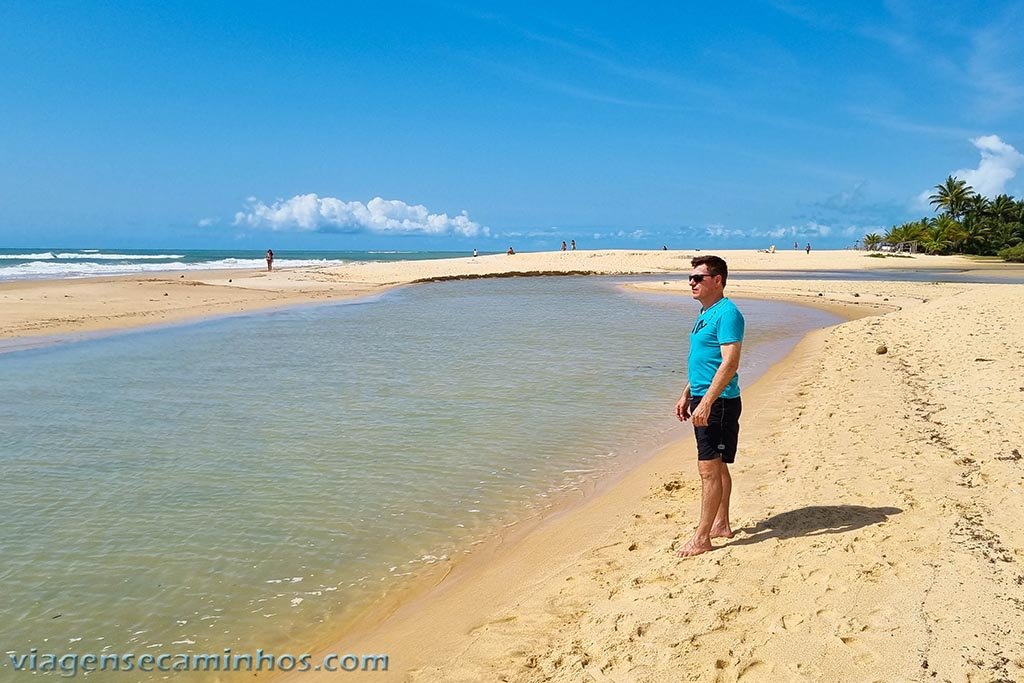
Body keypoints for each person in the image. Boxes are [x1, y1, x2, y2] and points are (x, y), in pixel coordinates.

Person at [674, 255, 744, 557]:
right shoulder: (707, 312)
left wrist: (707, 402)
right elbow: (705, 361)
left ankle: (702, 538)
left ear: (717, 280)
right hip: (706, 398)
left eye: (698, 278)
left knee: (708, 471)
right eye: (690, 278)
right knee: (716, 466)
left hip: (719, 403)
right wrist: (687, 393)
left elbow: (730, 363)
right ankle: (721, 524)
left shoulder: (728, 314)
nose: (691, 282)